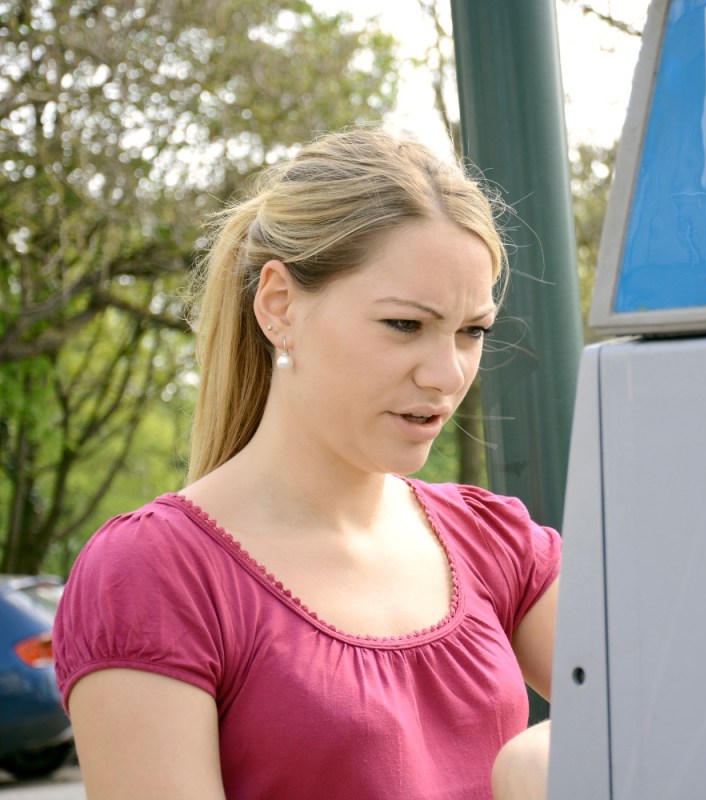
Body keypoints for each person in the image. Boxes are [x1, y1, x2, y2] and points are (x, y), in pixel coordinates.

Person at [52, 127, 559, 800]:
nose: (447, 375)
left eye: (472, 332)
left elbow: (683, 716)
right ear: (280, 307)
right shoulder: (152, 574)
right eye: (405, 325)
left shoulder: (496, 541)